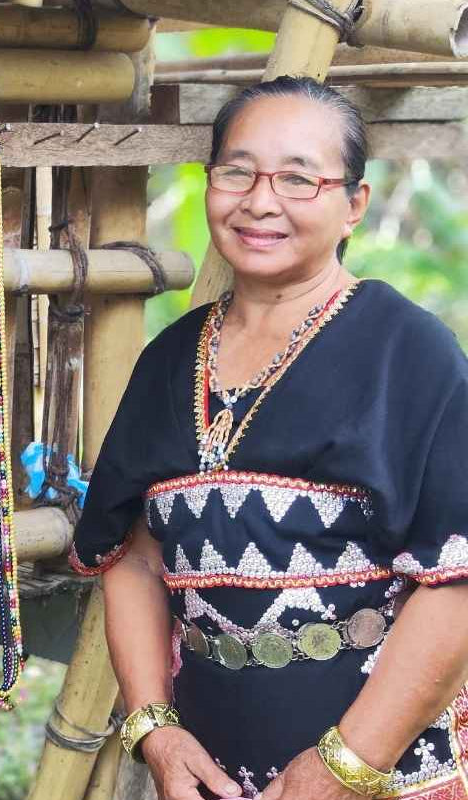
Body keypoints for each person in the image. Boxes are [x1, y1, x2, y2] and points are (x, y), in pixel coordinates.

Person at [70, 75, 468, 800]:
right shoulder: (169, 358)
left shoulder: (409, 352)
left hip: (390, 779)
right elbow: (132, 557)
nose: (260, 200)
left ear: (354, 205)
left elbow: (457, 584)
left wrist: (346, 766)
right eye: (237, 171)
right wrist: (155, 730)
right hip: (210, 780)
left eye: (298, 178)